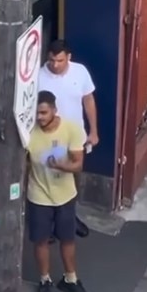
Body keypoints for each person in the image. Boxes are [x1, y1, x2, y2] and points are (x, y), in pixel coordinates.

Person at [27, 90, 92, 292]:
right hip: (38, 195)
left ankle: (70, 279)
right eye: (36, 113)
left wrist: (61, 165)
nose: (39, 118)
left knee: (67, 239)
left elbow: (78, 163)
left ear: (54, 110)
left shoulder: (71, 129)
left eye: (44, 113)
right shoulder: (28, 132)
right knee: (41, 240)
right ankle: (44, 280)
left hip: (65, 195)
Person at [38, 39, 99, 237]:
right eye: (52, 60)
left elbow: (88, 100)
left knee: (73, 180)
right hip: (48, 138)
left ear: (69, 58)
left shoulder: (80, 71)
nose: (55, 65)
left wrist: (94, 131)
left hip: (75, 138)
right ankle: (48, 225)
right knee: (47, 181)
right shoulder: (39, 76)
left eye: (60, 61)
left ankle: (70, 218)